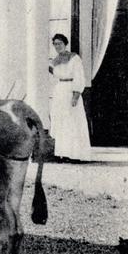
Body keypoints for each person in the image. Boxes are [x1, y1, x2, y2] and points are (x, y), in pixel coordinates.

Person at [49, 33, 91, 161]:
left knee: (73, 122)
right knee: (61, 122)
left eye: (60, 43)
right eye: (55, 44)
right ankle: (63, 153)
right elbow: (53, 76)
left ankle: (76, 154)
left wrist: (76, 95)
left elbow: (79, 77)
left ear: (65, 44)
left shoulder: (74, 58)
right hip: (59, 91)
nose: (58, 46)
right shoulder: (54, 61)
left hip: (71, 90)